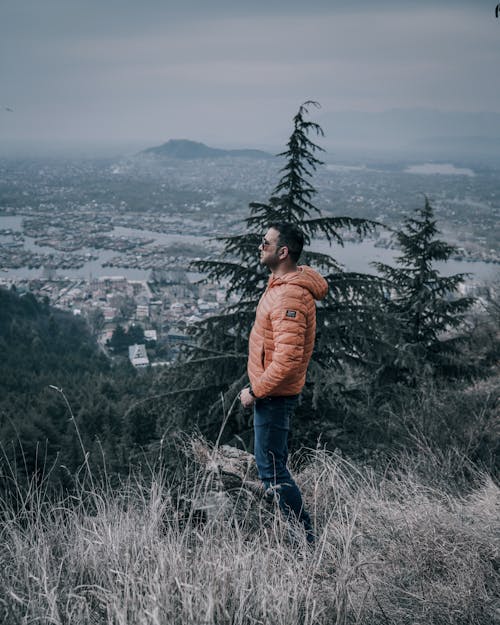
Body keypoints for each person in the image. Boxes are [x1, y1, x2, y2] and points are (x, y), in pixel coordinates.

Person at [240, 222, 328, 544]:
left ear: (283, 251)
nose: (260, 246)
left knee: (272, 470)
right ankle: (293, 533)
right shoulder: (280, 283)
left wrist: (255, 390)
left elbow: (287, 361)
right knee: (271, 464)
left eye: (265, 242)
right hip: (271, 393)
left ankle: (303, 539)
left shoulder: (289, 295)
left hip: (273, 396)